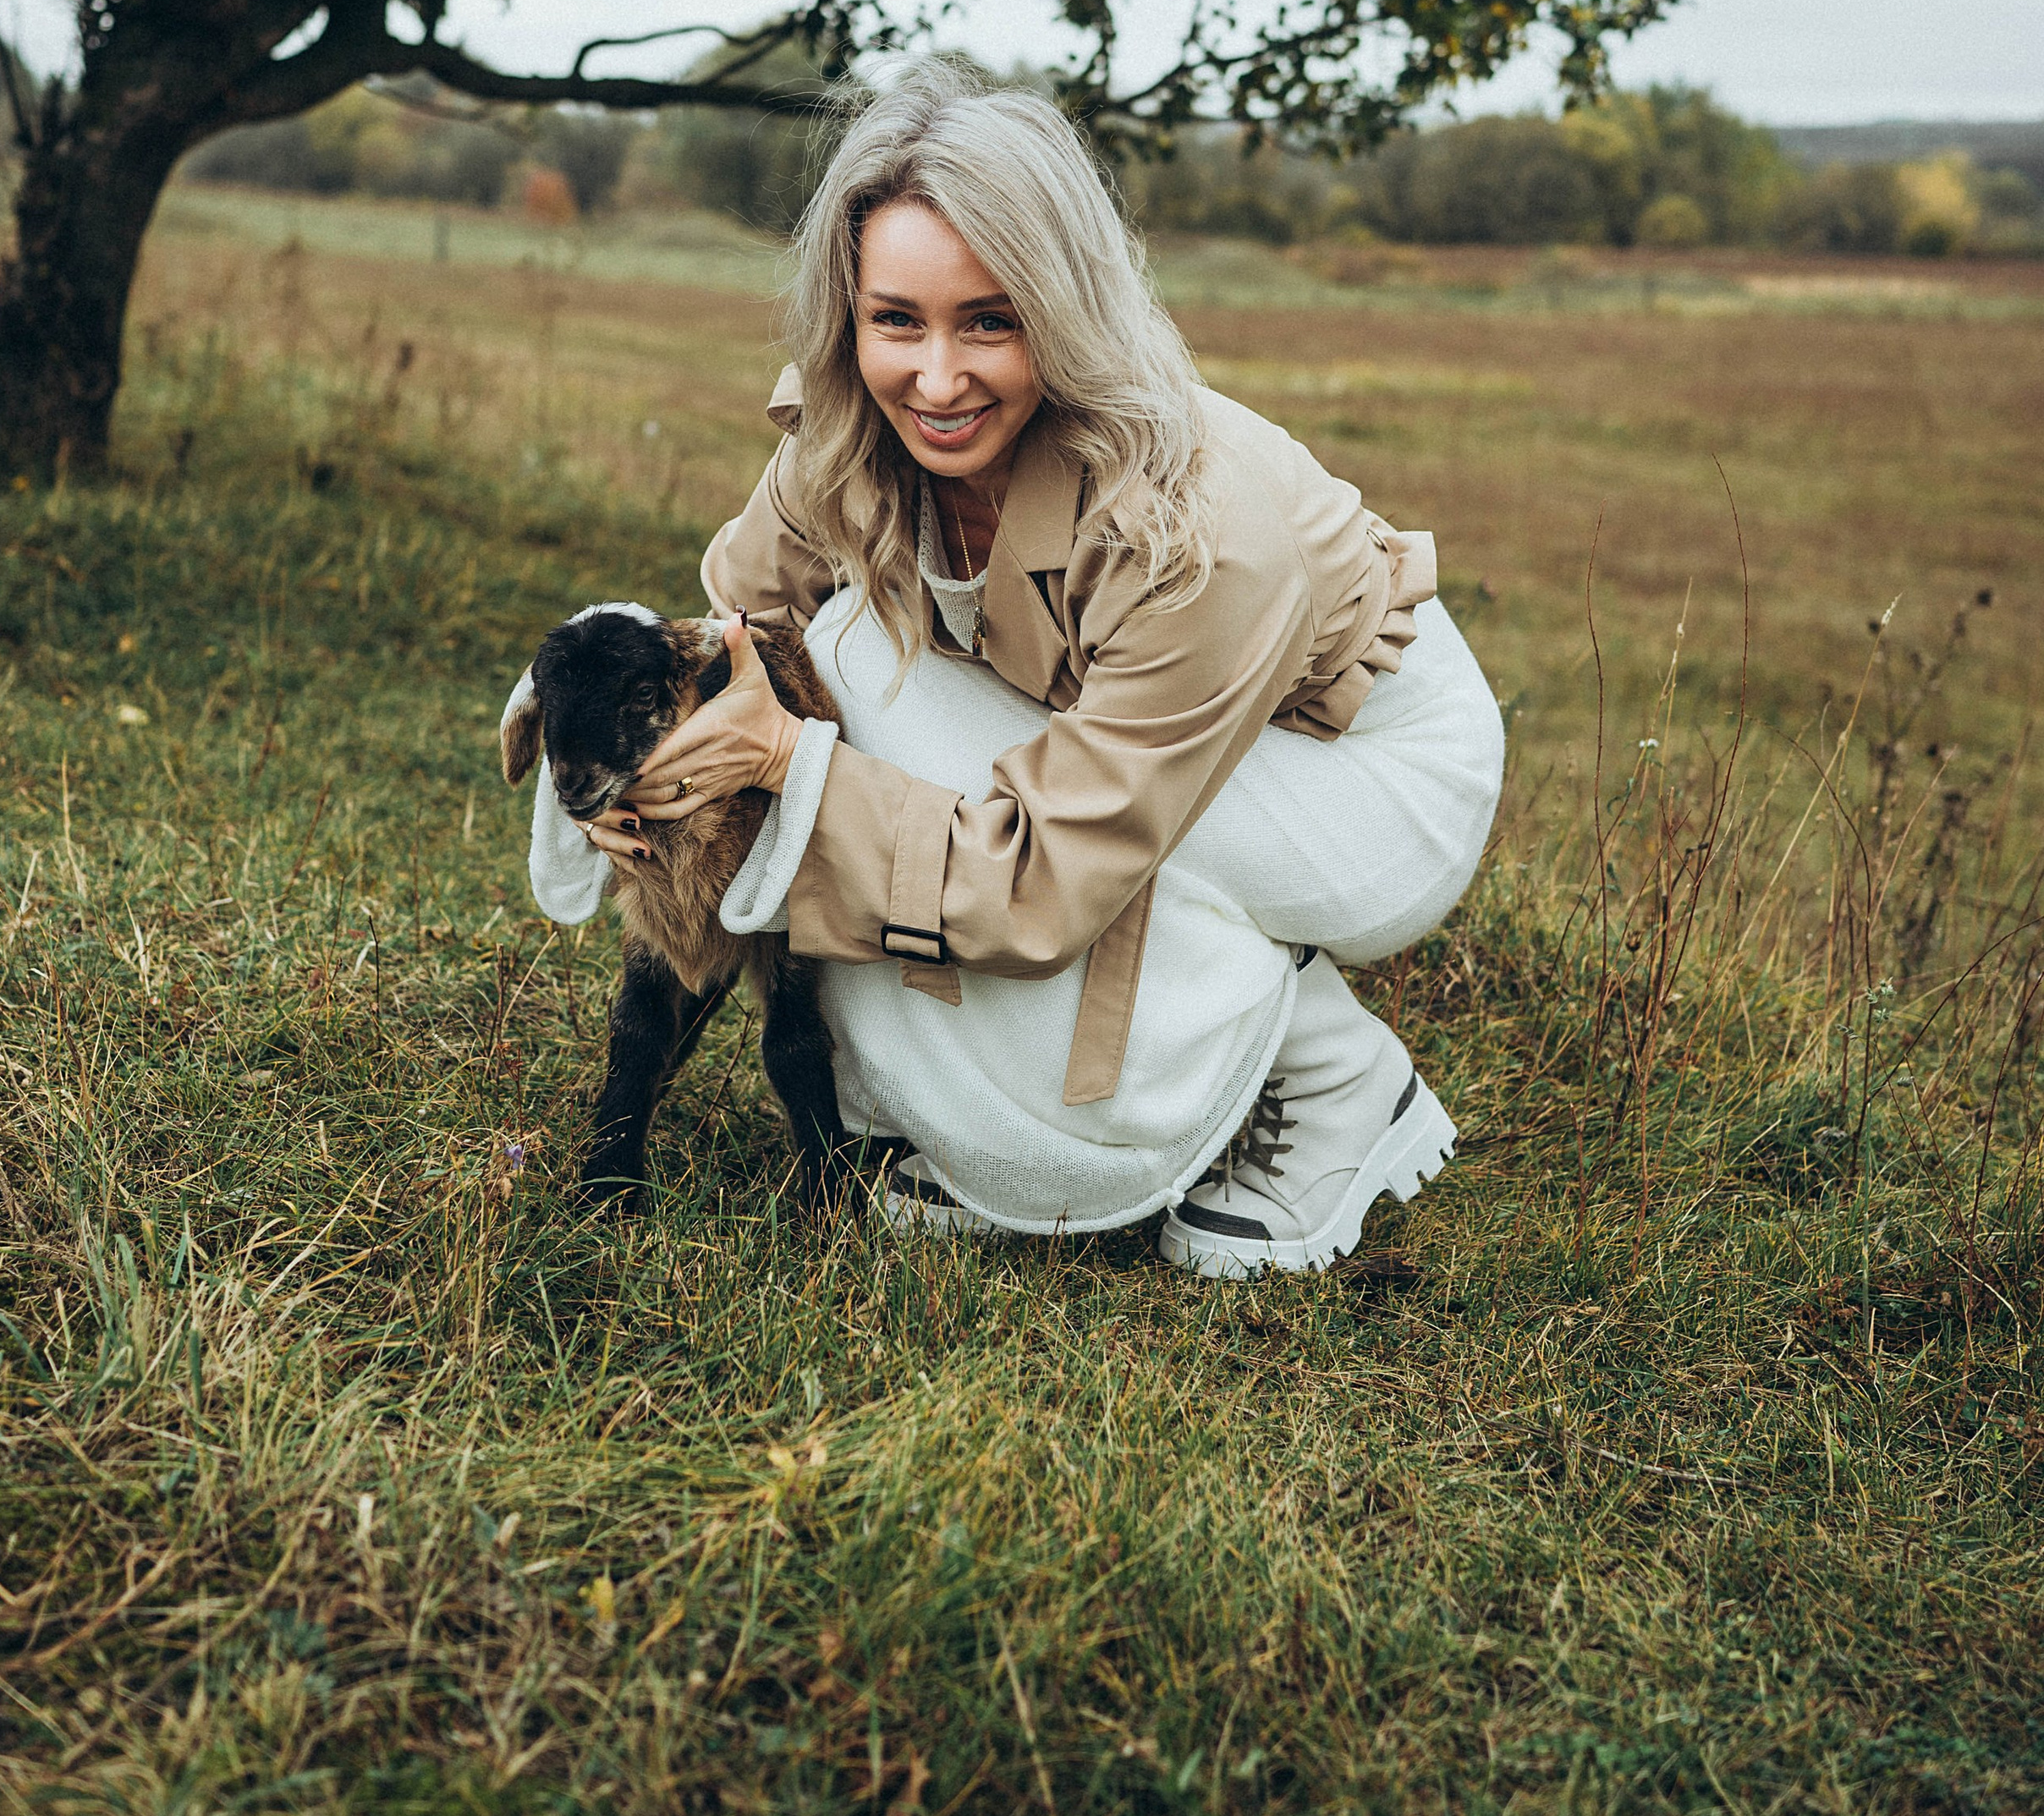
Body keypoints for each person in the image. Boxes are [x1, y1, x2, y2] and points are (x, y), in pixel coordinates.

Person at [577, 64, 1504, 1276]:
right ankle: (984, 1098)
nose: (938, 379)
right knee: (834, 663)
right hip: (1132, 736)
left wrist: (789, 764)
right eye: (896, 319)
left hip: (1360, 764)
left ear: (1063, 313)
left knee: (861, 686)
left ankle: (1329, 1075)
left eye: (993, 320)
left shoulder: (1198, 530)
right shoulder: (844, 434)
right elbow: (742, 635)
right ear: (847, 312)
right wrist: (661, 778)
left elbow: (1039, 884)